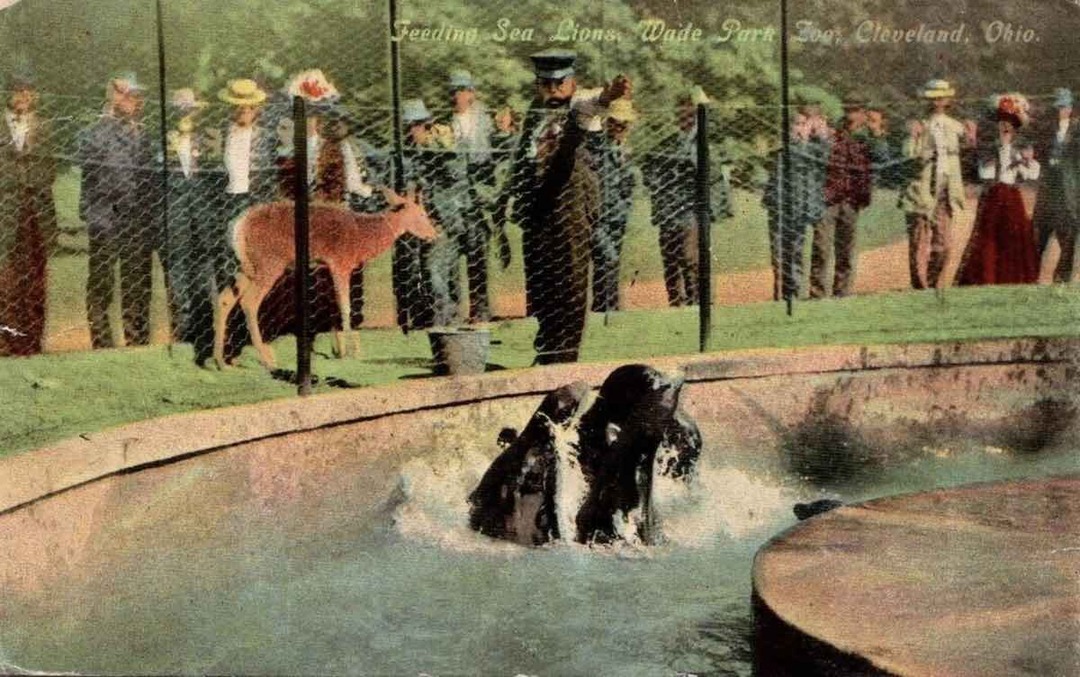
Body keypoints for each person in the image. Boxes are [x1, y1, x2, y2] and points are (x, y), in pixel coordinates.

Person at [497, 49, 630, 364]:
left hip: (570, 210)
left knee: (569, 281)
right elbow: (521, 158)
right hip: (536, 209)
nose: (553, 91)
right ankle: (546, 350)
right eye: (546, 84)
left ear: (572, 82)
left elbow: (596, 101)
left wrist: (610, 94)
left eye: (560, 84)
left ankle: (565, 355)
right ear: (538, 84)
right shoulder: (535, 111)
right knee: (540, 283)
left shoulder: (579, 106)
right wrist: (506, 198)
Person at [78, 73, 157, 349]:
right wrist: (109, 117)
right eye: (127, 94)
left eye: (136, 95)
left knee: (136, 280)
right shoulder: (95, 131)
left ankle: (137, 340)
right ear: (113, 96)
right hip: (105, 216)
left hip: (136, 217)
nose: (134, 100)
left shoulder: (143, 132)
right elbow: (87, 154)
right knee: (101, 280)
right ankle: (101, 342)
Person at [208, 78, 276, 364]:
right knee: (230, 273)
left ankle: (251, 342)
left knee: (255, 275)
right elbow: (210, 178)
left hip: (255, 207)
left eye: (249, 107)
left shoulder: (267, 138)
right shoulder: (217, 136)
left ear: (256, 108)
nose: (244, 111)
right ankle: (224, 348)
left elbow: (271, 178)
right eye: (238, 106)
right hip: (228, 205)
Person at [641, 87, 724, 308]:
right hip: (668, 208)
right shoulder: (668, 142)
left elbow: (713, 174)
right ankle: (676, 303)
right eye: (681, 110)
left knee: (689, 255)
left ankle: (697, 301)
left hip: (692, 207)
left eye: (690, 111)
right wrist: (658, 185)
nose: (685, 115)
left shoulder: (705, 142)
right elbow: (649, 167)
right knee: (670, 259)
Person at [394, 98, 469, 329]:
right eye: (408, 127)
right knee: (426, 272)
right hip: (417, 223)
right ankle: (436, 319)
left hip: (443, 221)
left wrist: (442, 150)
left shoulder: (443, 149)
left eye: (416, 126)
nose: (412, 132)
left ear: (426, 126)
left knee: (436, 271)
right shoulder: (407, 154)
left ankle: (443, 322)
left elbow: (457, 176)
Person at [809, 95, 891, 299]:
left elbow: (883, 159)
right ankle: (817, 292)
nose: (851, 114)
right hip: (828, 195)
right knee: (821, 246)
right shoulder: (834, 131)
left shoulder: (869, 136)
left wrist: (877, 134)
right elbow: (818, 155)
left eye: (855, 110)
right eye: (848, 109)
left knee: (845, 248)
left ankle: (842, 291)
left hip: (852, 197)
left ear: (863, 112)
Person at [900, 79, 977, 290]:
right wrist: (913, 137)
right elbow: (908, 155)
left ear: (947, 100)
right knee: (919, 240)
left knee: (944, 243)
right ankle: (921, 286)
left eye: (941, 98)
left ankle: (935, 283)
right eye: (933, 98)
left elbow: (970, 153)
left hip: (946, 188)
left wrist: (971, 136)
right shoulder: (918, 125)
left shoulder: (955, 126)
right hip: (922, 189)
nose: (937, 102)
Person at [0, 67, 56, 356]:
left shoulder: (44, 127)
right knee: (6, 281)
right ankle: (6, 342)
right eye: (19, 90)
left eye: (29, 90)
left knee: (35, 280)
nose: (24, 96)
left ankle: (32, 341)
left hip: (37, 216)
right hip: (5, 215)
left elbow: (50, 170)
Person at [957, 94, 1041, 286]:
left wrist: (1025, 161)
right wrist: (991, 161)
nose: (1005, 126)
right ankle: (988, 277)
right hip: (994, 195)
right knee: (989, 236)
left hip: (1012, 195)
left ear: (1015, 126)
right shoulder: (990, 147)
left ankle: (1013, 277)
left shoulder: (1020, 149)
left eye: (1010, 122)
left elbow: (1031, 175)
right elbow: (984, 174)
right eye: (1002, 122)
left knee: (1014, 235)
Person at [763, 109, 830, 302]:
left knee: (796, 251)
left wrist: (821, 134)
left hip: (800, 207)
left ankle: (793, 292)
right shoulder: (785, 149)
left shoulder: (813, 149)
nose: (799, 129)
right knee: (780, 253)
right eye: (796, 125)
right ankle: (783, 294)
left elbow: (826, 156)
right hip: (780, 206)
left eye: (803, 125)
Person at [447, 70, 497, 322]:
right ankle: (454, 312)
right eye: (453, 91)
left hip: (477, 198)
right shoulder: (445, 123)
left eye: (461, 90)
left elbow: (493, 155)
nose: (457, 96)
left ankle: (481, 309)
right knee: (451, 259)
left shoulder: (486, 120)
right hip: (453, 199)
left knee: (478, 255)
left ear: (471, 93)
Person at [588, 98, 637, 312]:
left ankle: (605, 307)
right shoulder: (597, 147)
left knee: (609, 263)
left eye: (624, 123)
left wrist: (625, 207)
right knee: (608, 258)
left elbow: (628, 185)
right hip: (599, 216)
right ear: (607, 123)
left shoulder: (625, 150)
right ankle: (607, 306)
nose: (620, 127)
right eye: (616, 122)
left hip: (618, 216)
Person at [1033, 88, 1079, 282]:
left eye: (1063, 107)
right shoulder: (1047, 128)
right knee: (1043, 228)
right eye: (1058, 107)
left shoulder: (1077, 128)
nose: (1060, 111)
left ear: (1070, 108)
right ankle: (1035, 274)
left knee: (1068, 230)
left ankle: (1063, 275)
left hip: (1070, 187)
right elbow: (1039, 152)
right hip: (1050, 186)